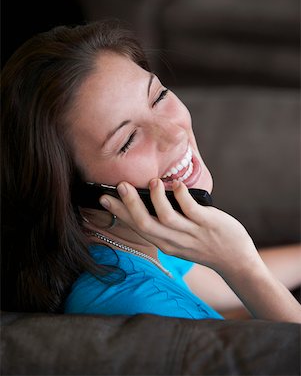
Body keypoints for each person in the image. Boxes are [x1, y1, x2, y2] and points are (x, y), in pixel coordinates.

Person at [1, 21, 301, 322]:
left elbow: (215, 286)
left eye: (158, 97)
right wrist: (242, 266)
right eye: (128, 140)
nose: (173, 132)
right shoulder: (137, 309)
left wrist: (240, 263)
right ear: (76, 194)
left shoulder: (140, 238)